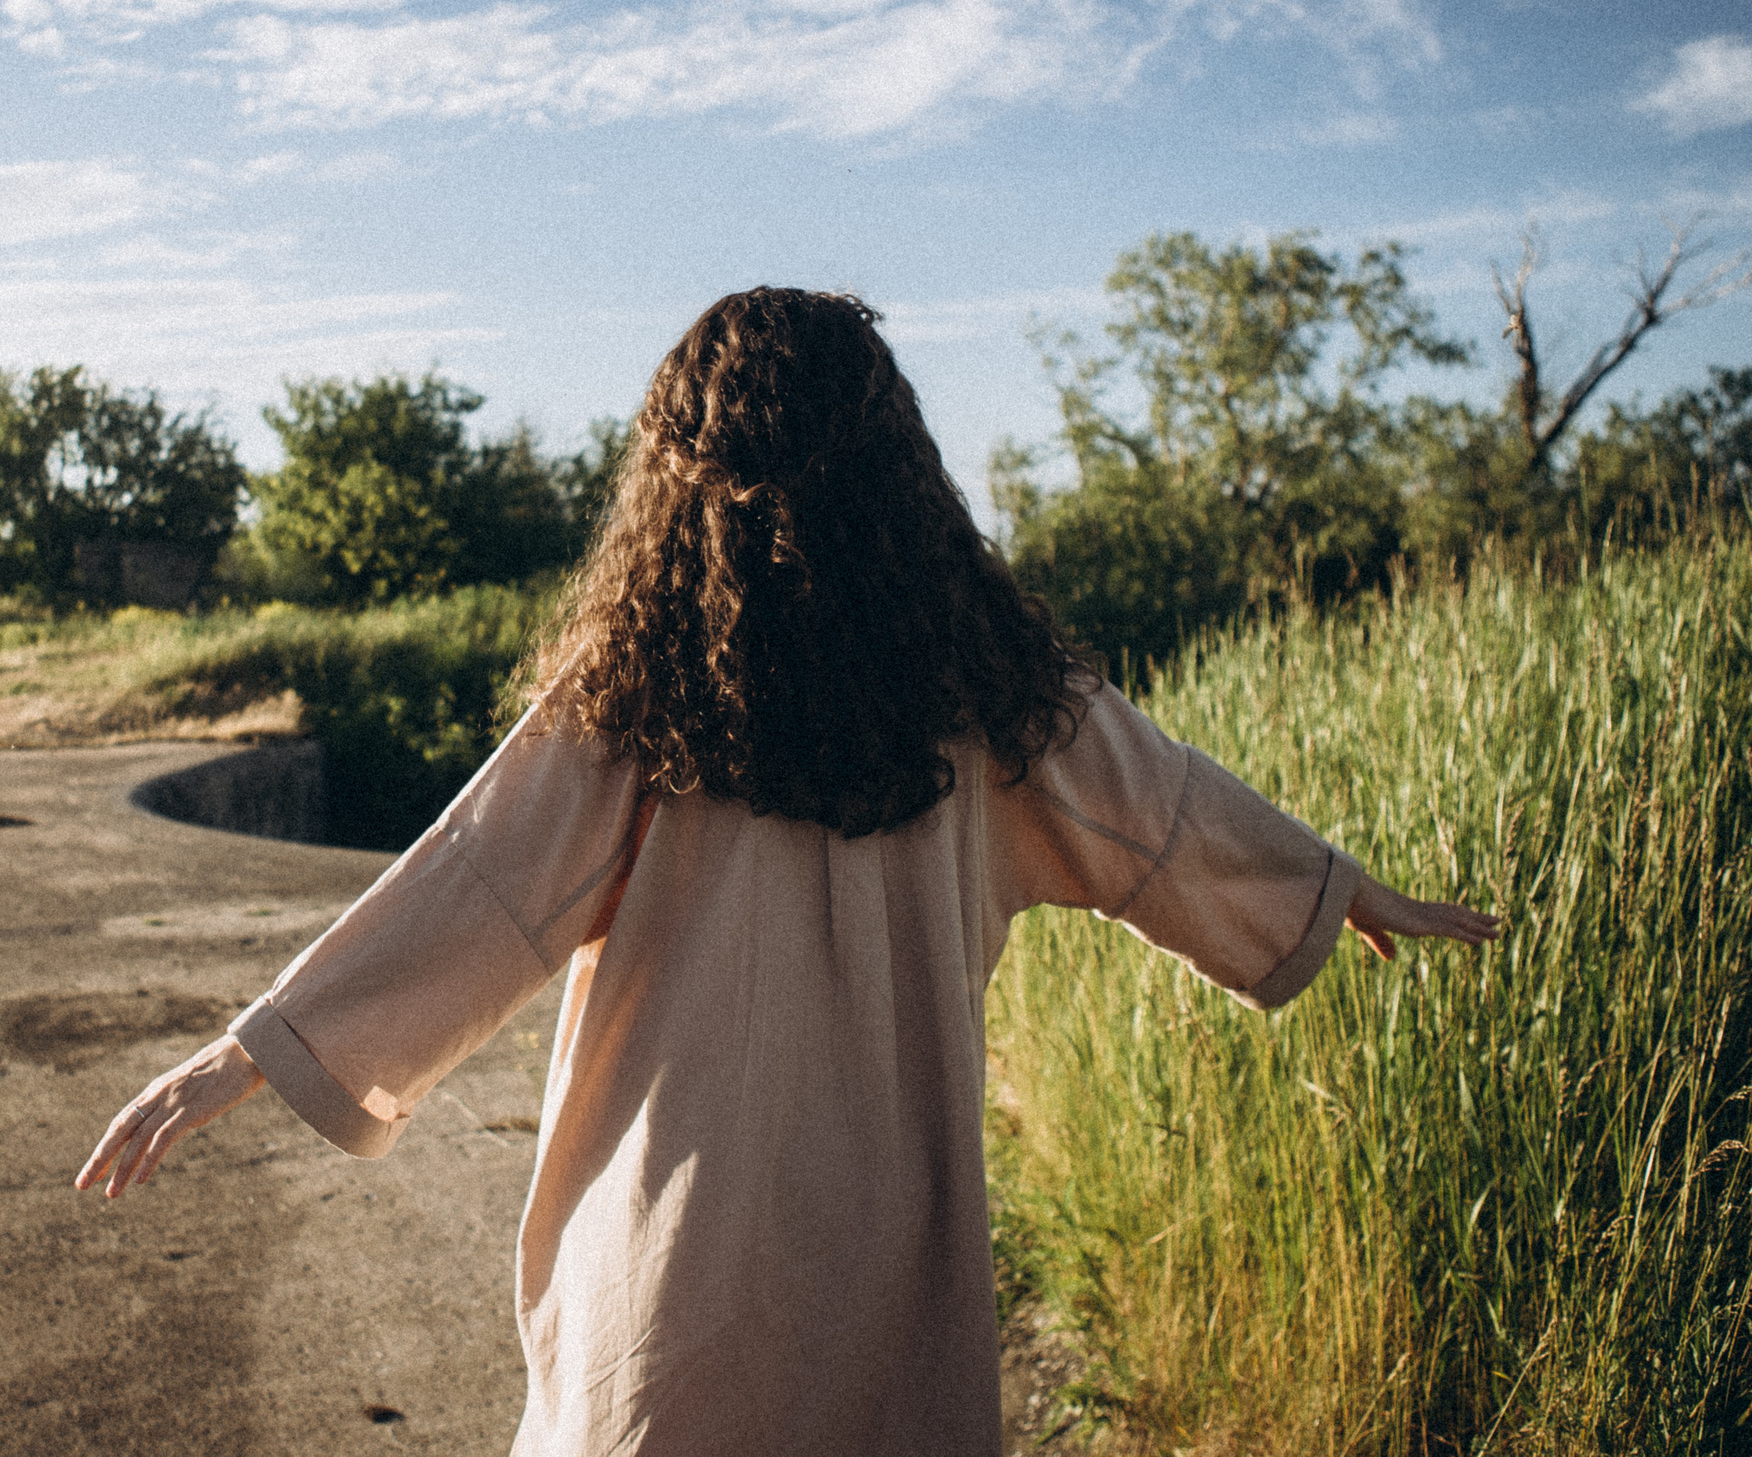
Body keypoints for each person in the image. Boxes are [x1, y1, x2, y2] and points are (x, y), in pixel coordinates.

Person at [77, 288, 1500, 1455]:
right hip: (890, 1256)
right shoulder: (995, 694)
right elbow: (1174, 820)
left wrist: (255, 1052)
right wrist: (1340, 889)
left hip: (670, 1263)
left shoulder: (632, 696)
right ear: (901, 467)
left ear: (673, 474)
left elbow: (470, 894)